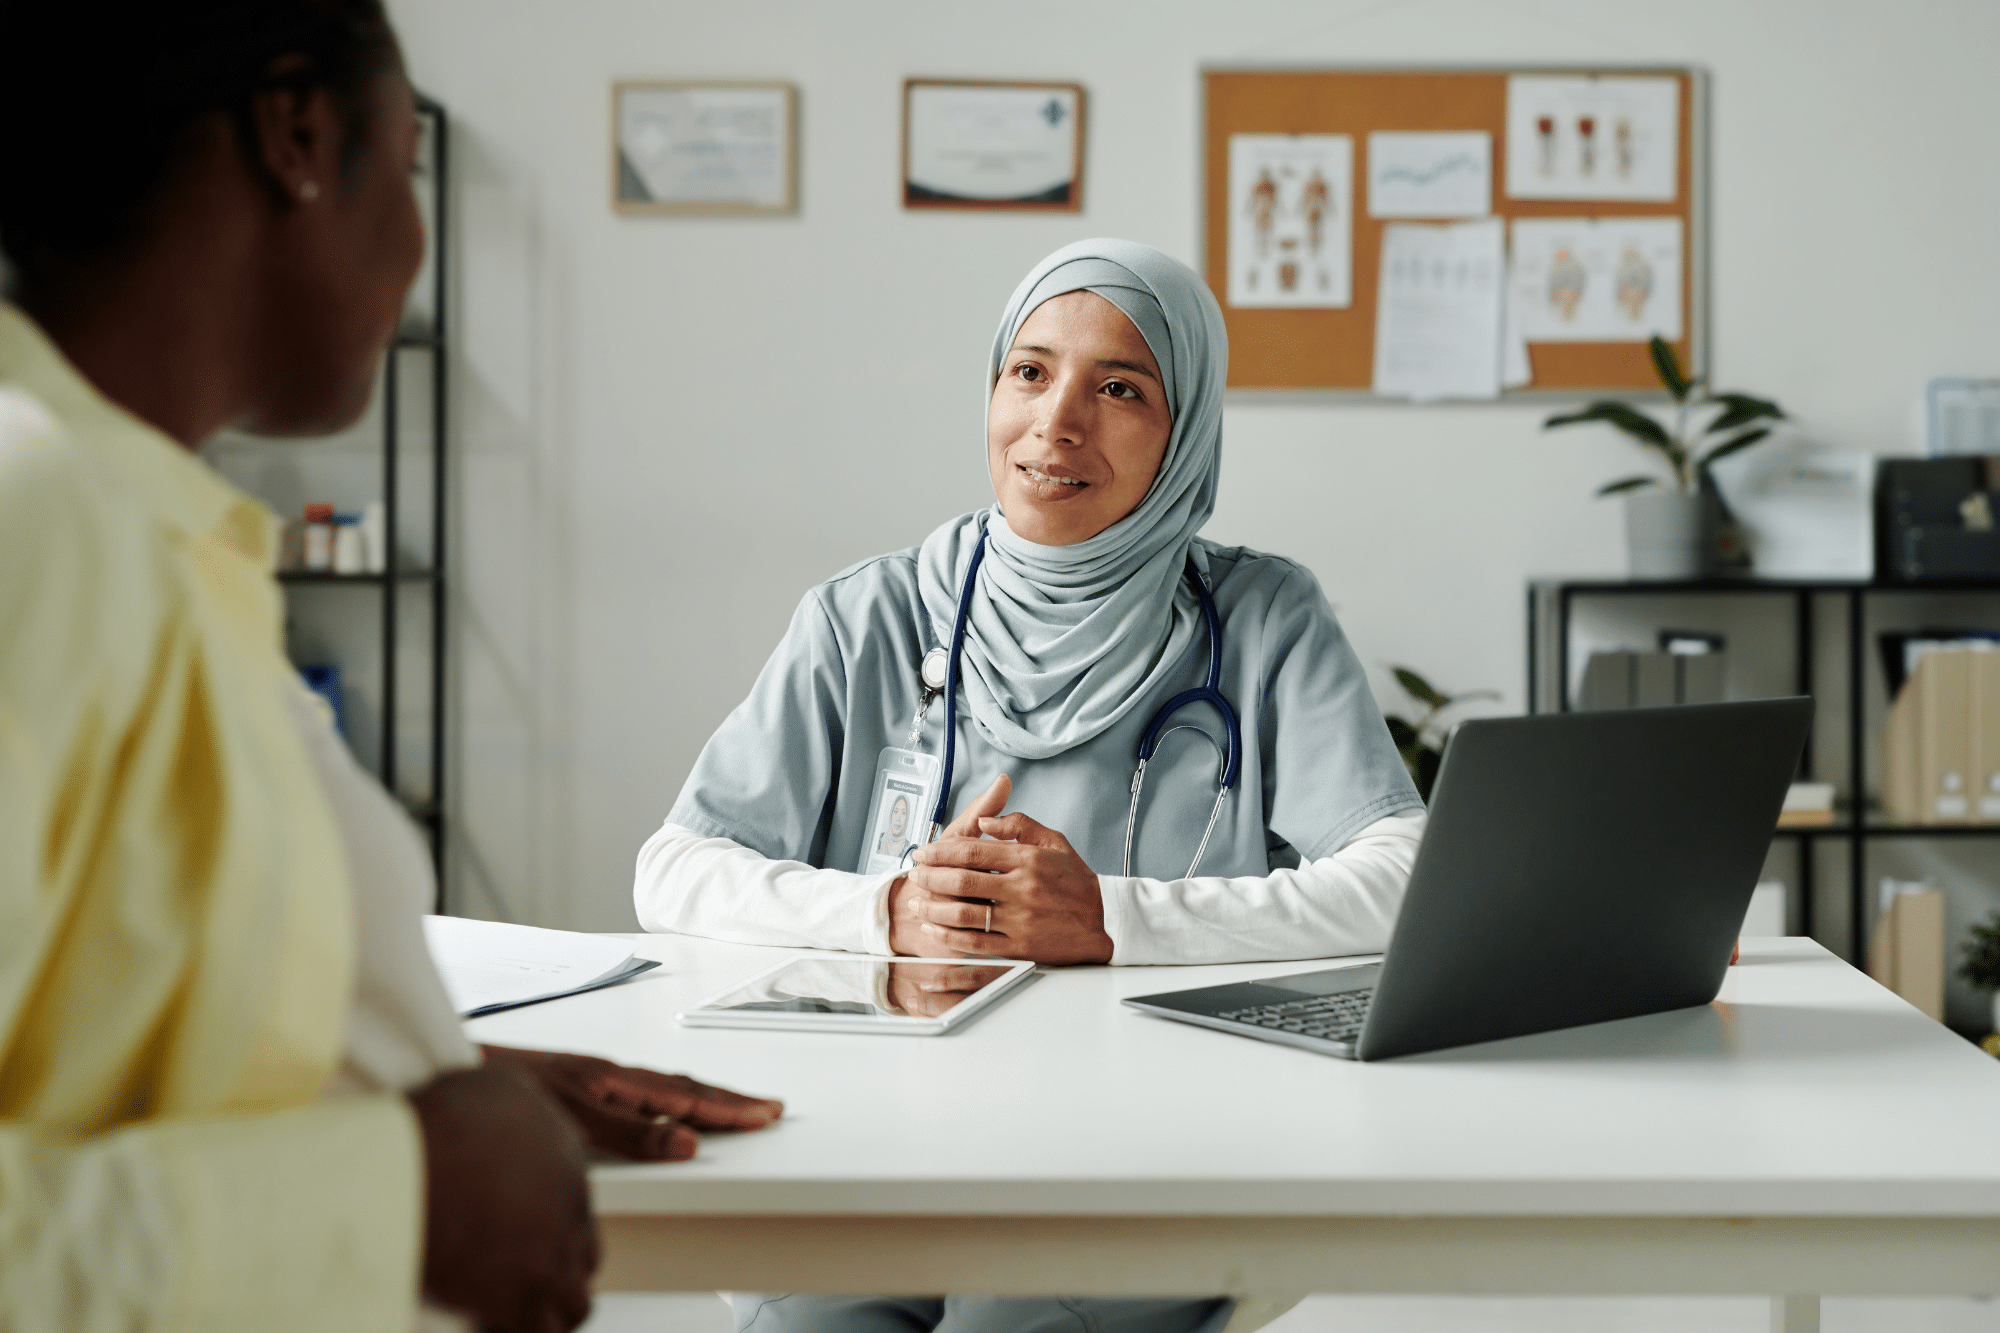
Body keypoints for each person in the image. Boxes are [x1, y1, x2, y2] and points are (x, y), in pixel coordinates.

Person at [0, 4, 781, 1331]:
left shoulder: (153, 531)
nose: (415, 247)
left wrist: (408, 1073)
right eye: (407, 172)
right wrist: (392, 1193)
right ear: (297, 136)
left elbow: (98, 1023)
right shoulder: (39, 518)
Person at [633, 239, 1426, 1333]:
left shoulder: (1262, 621)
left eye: (1120, 388)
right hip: (882, 1133)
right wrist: (889, 911)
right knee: (814, 1318)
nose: (1056, 423)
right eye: (1030, 371)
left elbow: (1401, 875)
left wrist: (1113, 920)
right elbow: (675, 868)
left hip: (1161, 1141)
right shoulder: (869, 617)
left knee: (1013, 1317)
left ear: (1185, 426)